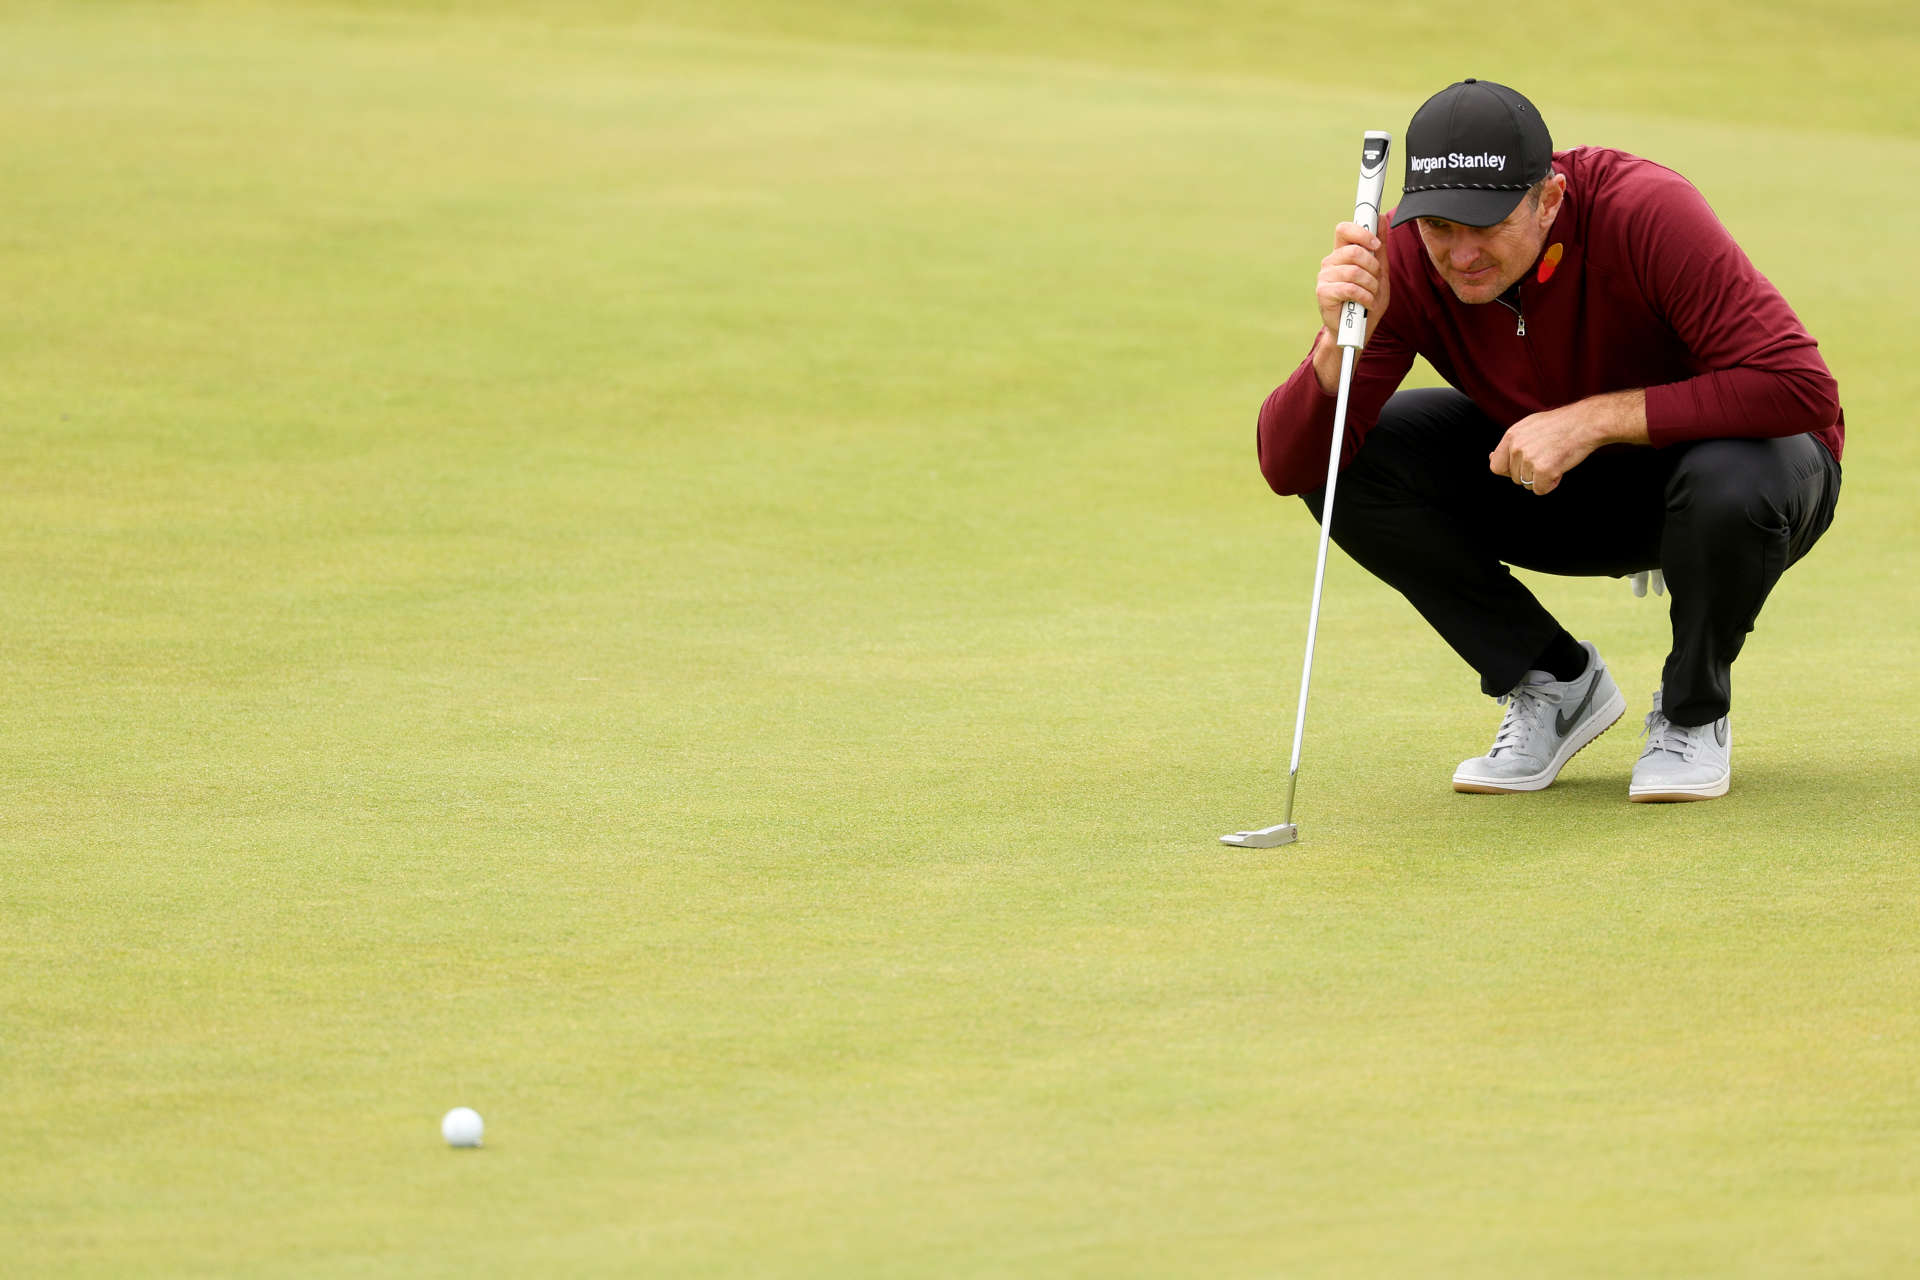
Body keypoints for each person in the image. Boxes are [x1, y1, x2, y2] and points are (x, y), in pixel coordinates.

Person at [1256, 79, 1842, 802]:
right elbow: (1292, 466)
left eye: (1487, 224)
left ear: (1550, 199)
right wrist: (1334, 346)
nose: (1461, 253)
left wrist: (1590, 419)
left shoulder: (1644, 210)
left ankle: (1691, 711)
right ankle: (1553, 682)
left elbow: (1800, 388)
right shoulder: (1402, 262)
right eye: (1439, 225)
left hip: (1745, 485)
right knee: (1351, 464)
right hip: (1560, 491)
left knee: (1730, 478)